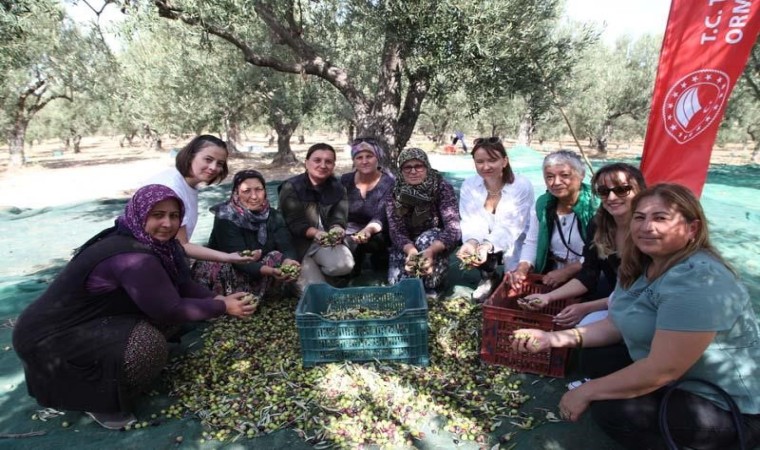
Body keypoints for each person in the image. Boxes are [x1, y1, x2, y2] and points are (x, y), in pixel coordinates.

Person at [511, 184, 760, 450]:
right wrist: (551, 339)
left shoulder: (698, 280)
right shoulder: (641, 264)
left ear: (692, 229)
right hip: (676, 375)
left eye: (661, 218)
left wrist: (587, 391)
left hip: (726, 405)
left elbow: (663, 370)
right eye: (639, 217)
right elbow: (614, 324)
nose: (646, 226)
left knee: (613, 411)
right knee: (596, 356)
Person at [12, 185, 255, 430]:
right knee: (147, 346)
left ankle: (115, 362)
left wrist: (219, 299)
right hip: (49, 339)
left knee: (170, 312)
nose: (168, 223)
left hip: (91, 320)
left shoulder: (163, 246)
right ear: (140, 214)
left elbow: (182, 284)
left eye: (173, 216)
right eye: (157, 215)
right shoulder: (132, 257)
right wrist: (221, 308)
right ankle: (98, 400)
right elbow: (168, 309)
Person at [520, 163, 646, 327]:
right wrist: (547, 297)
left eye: (622, 190)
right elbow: (588, 274)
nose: (612, 197)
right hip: (616, 301)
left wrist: (586, 307)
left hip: (646, 308)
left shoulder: (648, 231)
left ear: (640, 190)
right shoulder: (598, 226)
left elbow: (641, 291)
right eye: (604, 191)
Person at [191, 169, 300, 297]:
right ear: (236, 193)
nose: (254, 196)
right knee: (217, 266)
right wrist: (270, 271)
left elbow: (286, 245)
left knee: (276, 256)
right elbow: (236, 258)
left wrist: (289, 261)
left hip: (258, 267)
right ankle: (223, 302)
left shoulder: (273, 216)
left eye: (258, 189)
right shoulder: (226, 217)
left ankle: (263, 298)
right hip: (230, 269)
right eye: (246, 191)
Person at [147, 134, 253, 264]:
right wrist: (228, 257)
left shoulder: (189, 184)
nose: (214, 167)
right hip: (149, 261)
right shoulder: (173, 188)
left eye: (220, 163)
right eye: (208, 159)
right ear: (191, 156)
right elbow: (182, 245)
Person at [456, 137, 534, 302]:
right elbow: (471, 221)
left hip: (518, 238)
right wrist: (472, 243)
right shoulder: (469, 185)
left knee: (514, 291)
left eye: (492, 160)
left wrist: (486, 245)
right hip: (488, 238)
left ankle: (506, 273)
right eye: (480, 161)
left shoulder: (521, 186)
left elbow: (511, 228)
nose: (485, 166)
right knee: (472, 243)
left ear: (504, 161)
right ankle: (488, 276)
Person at [511, 150, 599, 289]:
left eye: (564, 175)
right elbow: (532, 242)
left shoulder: (595, 206)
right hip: (551, 273)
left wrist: (568, 271)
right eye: (549, 177)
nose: (556, 182)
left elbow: (601, 251)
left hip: (589, 274)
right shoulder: (543, 204)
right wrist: (523, 267)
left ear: (581, 175)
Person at [386, 147, 461, 298]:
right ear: (401, 170)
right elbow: (395, 230)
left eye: (418, 166)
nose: (413, 171)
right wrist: (411, 251)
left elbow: (453, 229)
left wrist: (431, 251)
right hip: (407, 245)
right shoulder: (394, 191)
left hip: (435, 242)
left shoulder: (441, 187)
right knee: (398, 286)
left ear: (426, 166)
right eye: (407, 167)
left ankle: (434, 283)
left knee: (429, 283)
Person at [278, 143, 354, 290]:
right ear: (307, 163)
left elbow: (339, 216)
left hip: (323, 243)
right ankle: (304, 276)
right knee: (316, 291)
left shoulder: (338, 187)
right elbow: (294, 224)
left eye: (328, 161)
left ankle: (317, 271)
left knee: (345, 264)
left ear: (333, 165)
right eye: (317, 160)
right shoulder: (291, 187)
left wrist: (337, 228)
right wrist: (317, 233)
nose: (323, 165)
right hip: (297, 245)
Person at [339, 138, 395, 276]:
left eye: (369, 156)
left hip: (379, 230)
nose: (364, 161)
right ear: (354, 161)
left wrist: (367, 231)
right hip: (349, 229)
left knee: (378, 243)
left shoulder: (389, 182)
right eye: (359, 157)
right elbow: (337, 210)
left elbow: (383, 214)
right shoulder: (344, 180)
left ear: (377, 158)